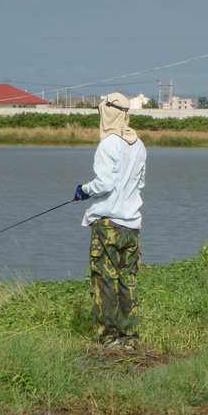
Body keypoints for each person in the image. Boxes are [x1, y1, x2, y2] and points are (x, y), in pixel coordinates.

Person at [74, 92, 147, 349]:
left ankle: (108, 339)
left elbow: (104, 183)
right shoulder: (139, 145)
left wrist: (84, 190)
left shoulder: (108, 145)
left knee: (105, 281)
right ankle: (130, 339)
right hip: (132, 226)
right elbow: (140, 184)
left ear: (107, 112)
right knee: (128, 280)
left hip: (108, 224)